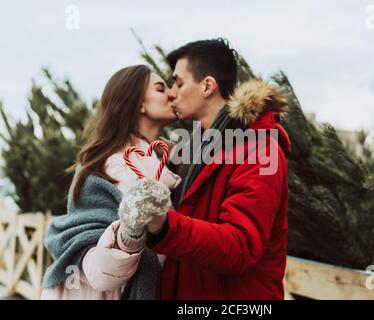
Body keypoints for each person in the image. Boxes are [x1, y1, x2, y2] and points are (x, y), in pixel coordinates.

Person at [123, 39, 291, 299]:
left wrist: (165, 225)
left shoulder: (259, 151)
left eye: (179, 83)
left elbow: (241, 246)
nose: (171, 93)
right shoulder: (189, 154)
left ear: (208, 86)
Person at [41, 64, 180, 299]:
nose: (172, 94)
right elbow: (100, 273)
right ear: (139, 104)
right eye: (160, 88)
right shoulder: (114, 165)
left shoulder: (165, 162)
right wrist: (130, 236)